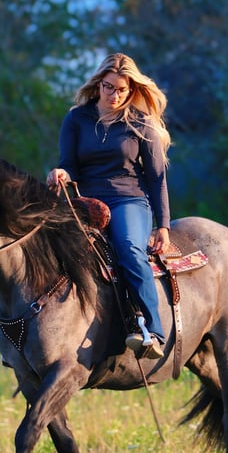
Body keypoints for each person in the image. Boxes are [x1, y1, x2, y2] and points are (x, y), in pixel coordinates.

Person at [46, 52, 171, 360]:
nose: (113, 94)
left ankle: (151, 330)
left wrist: (164, 225)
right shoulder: (76, 118)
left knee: (129, 248)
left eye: (121, 90)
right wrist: (61, 173)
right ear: (98, 84)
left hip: (128, 198)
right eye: (108, 87)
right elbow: (69, 163)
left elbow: (156, 178)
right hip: (86, 200)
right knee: (49, 247)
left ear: (132, 90)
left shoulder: (141, 123)